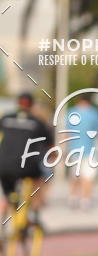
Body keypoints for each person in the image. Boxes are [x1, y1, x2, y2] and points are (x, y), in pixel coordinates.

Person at [0, 91, 54, 225]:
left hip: (3, 164)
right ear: (32, 105)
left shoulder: (5, 118)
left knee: (9, 192)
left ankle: (6, 222)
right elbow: (50, 146)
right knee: (40, 180)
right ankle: (34, 213)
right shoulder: (37, 122)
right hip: (27, 165)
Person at [64, 92, 98, 209]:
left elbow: (66, 133)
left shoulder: (72, 112)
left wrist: (64, 149)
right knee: (88, 176)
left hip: (74, 149)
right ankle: (85, 200)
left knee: (75, 175)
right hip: (90, 150)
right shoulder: (95, 113)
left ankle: (72, 197)